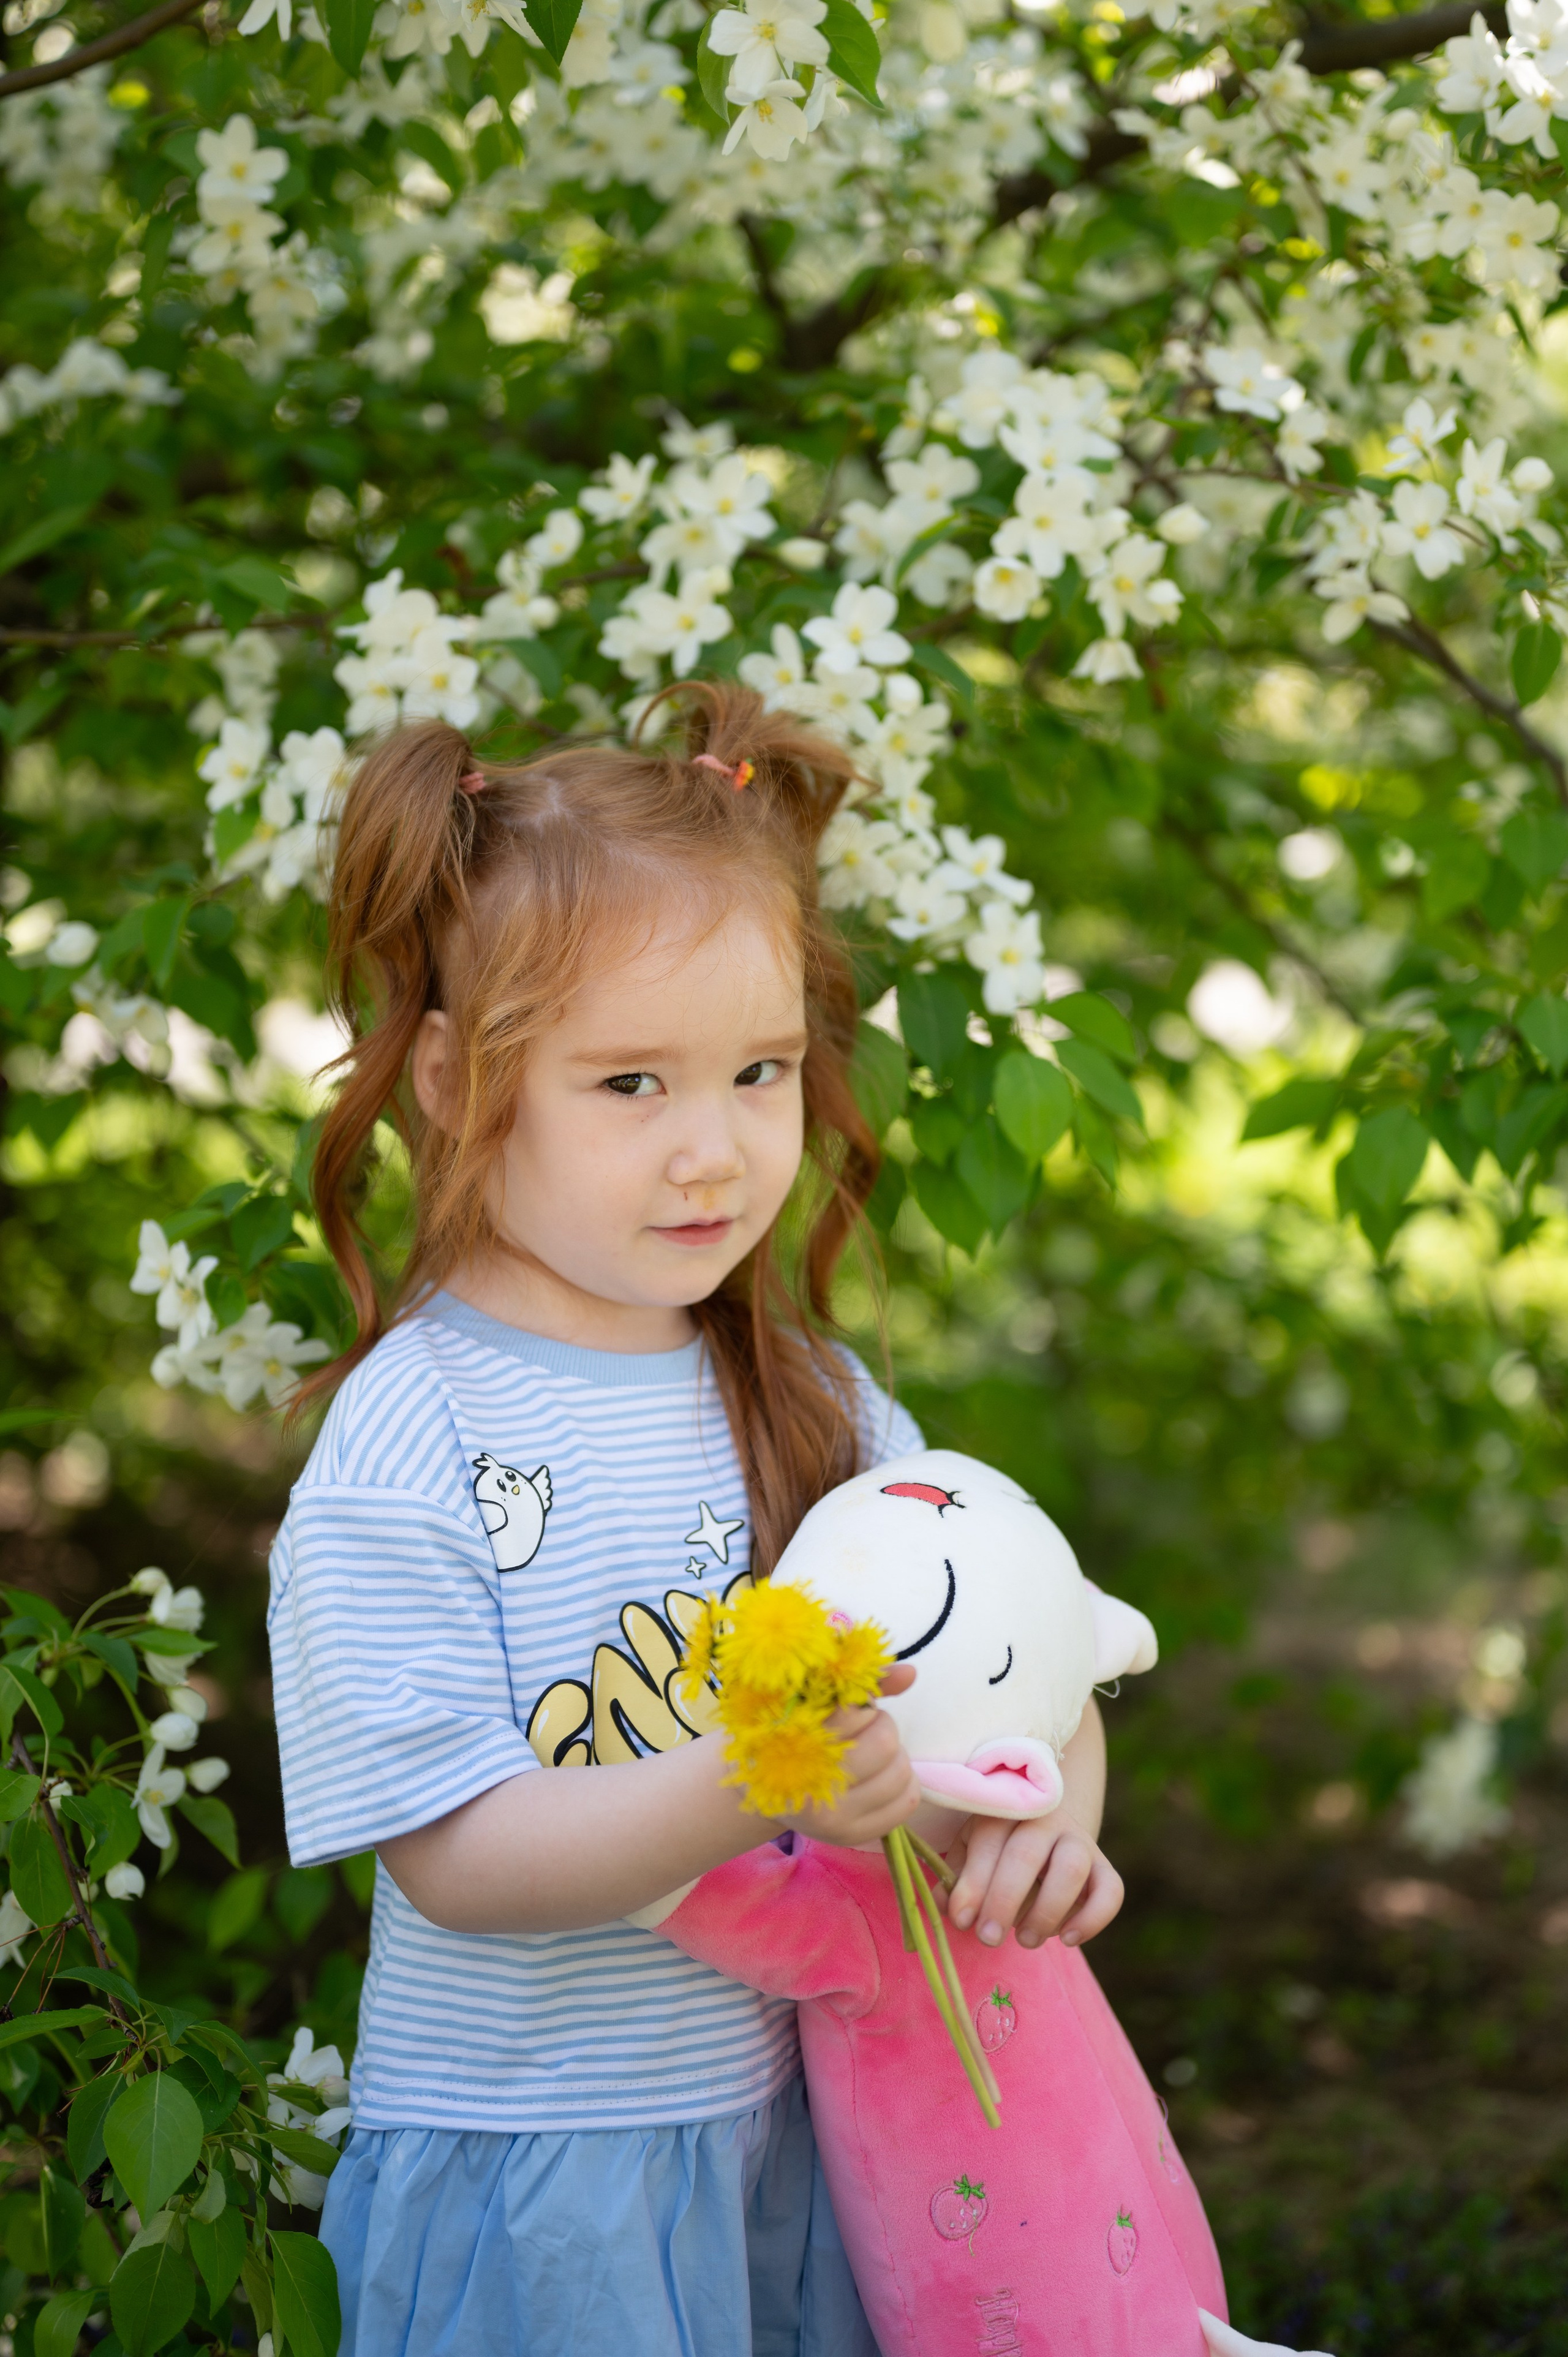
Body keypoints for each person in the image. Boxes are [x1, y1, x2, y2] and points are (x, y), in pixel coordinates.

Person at [266, 682, 1123, 2357]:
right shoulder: (415, 1431)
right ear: (453, 1077)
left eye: (760, 1071)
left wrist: (1042, 1819)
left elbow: (1020, 1682)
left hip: (823, 2141)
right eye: (632, 1084)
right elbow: (456, 1856)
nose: (717, 1151)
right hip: (540, 2177)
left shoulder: (818, 1403)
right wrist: (751, 1783)